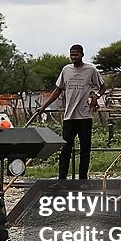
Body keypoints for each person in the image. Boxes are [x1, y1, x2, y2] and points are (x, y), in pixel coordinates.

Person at [36, 44, 106, 179]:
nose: (74, 57)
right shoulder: (66, 70)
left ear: (82, 55)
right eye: (71, 55)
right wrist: (44, 106)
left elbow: (103, 86)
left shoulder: (90, 70)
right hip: (69, 117)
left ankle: (82, 179)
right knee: (65, 149)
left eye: (76, 54)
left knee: (85, 149)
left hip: (84, 116)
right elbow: (58, 90)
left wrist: (95, 97)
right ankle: (62, 179)